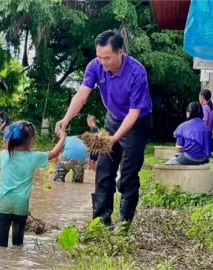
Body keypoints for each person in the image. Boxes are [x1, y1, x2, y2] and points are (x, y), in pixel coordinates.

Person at [55, 30, 153, 232]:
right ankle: (100, 222)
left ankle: (123, 225)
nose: (102, 62)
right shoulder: (95, 66)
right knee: (104, 171)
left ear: (120, 52)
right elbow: (82, 95)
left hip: (137, 124)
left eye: (107, 58)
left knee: (127, 175)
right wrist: (66, 118)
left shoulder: (137, 72)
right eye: (99, 57)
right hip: (112, 119)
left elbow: (134, 113)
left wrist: (114, 139)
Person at [0, 121, 66, 247]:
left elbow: (1, 168)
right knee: (18, 244)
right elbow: (54, 153)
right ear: (31, 140)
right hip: (21, 205)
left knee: (0, 246)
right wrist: (63, 137)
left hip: (3, 203)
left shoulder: (3, 155)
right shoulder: (34, 157)